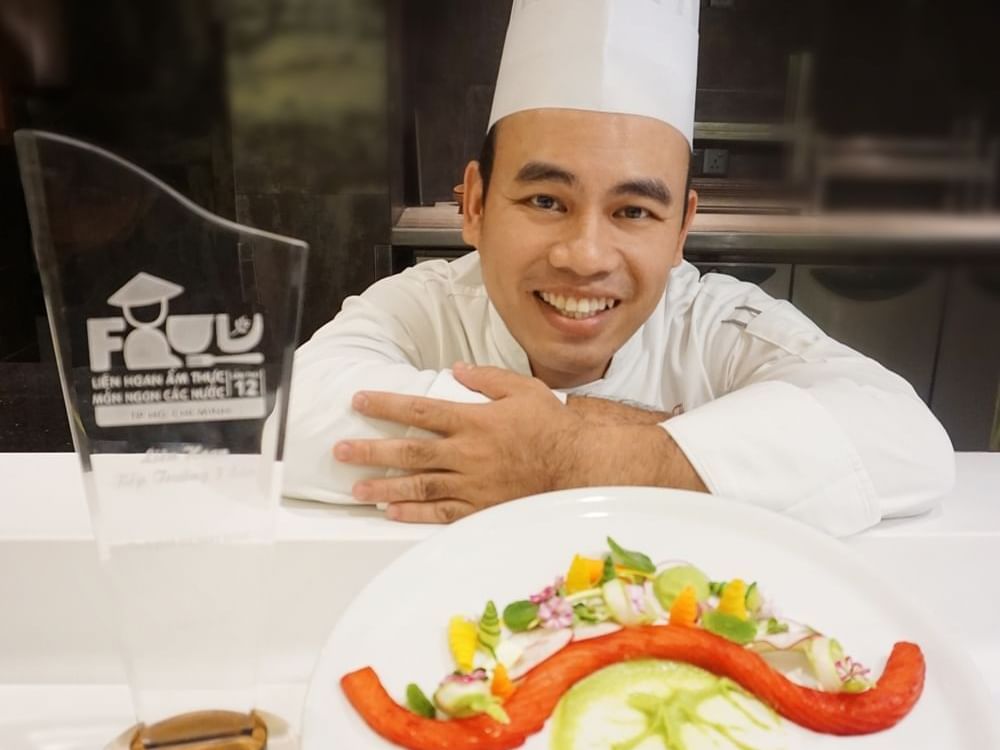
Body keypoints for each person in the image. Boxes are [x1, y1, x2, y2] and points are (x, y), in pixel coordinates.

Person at [280, 0, 954, 535]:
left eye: (633, 211)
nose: (585, 257)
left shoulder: (716, 325)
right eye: (546, 200)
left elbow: (905, 442)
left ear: (682, 227)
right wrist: (675, 445)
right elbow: (291, 419)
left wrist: (566, 456)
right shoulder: (424, 307)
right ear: (477, 204)